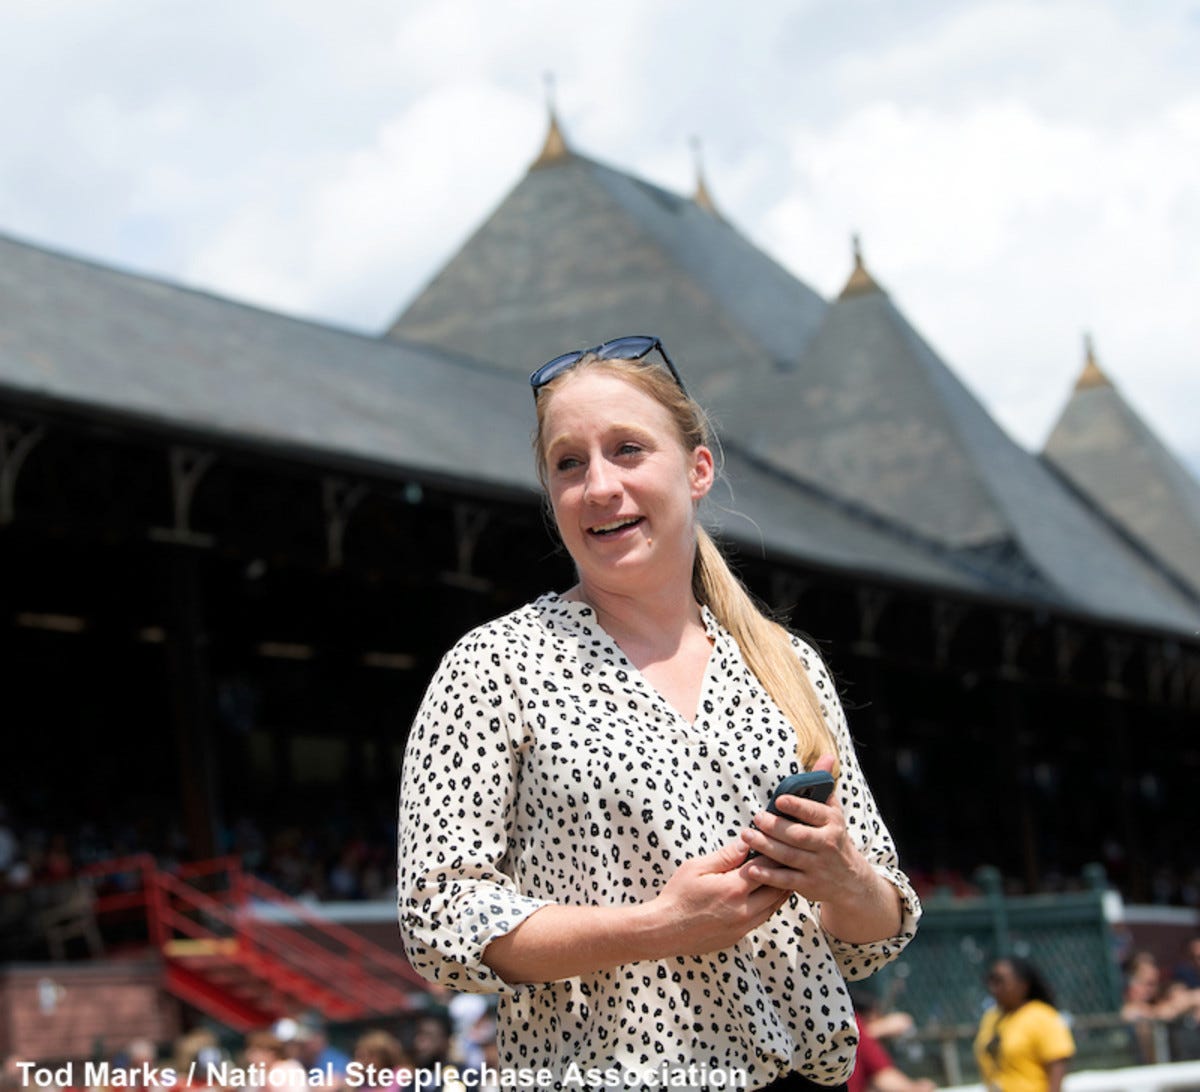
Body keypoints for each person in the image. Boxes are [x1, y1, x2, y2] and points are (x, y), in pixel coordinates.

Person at [398, 336, 921, 1090]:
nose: (599, 485)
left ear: (698, 468)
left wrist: (843, 879)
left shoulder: (788, 666)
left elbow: (877, 933)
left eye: (628, 450)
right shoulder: (494, 665)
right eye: (569, 463)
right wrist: (658, 926)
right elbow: (438, 918)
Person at [974, 958, 1075, 1092]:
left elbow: (1057, 1063)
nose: (994, 989)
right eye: (991, 981)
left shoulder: (1041, 1016)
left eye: (1000, 982)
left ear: (1023, 985)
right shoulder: (991, 1018)